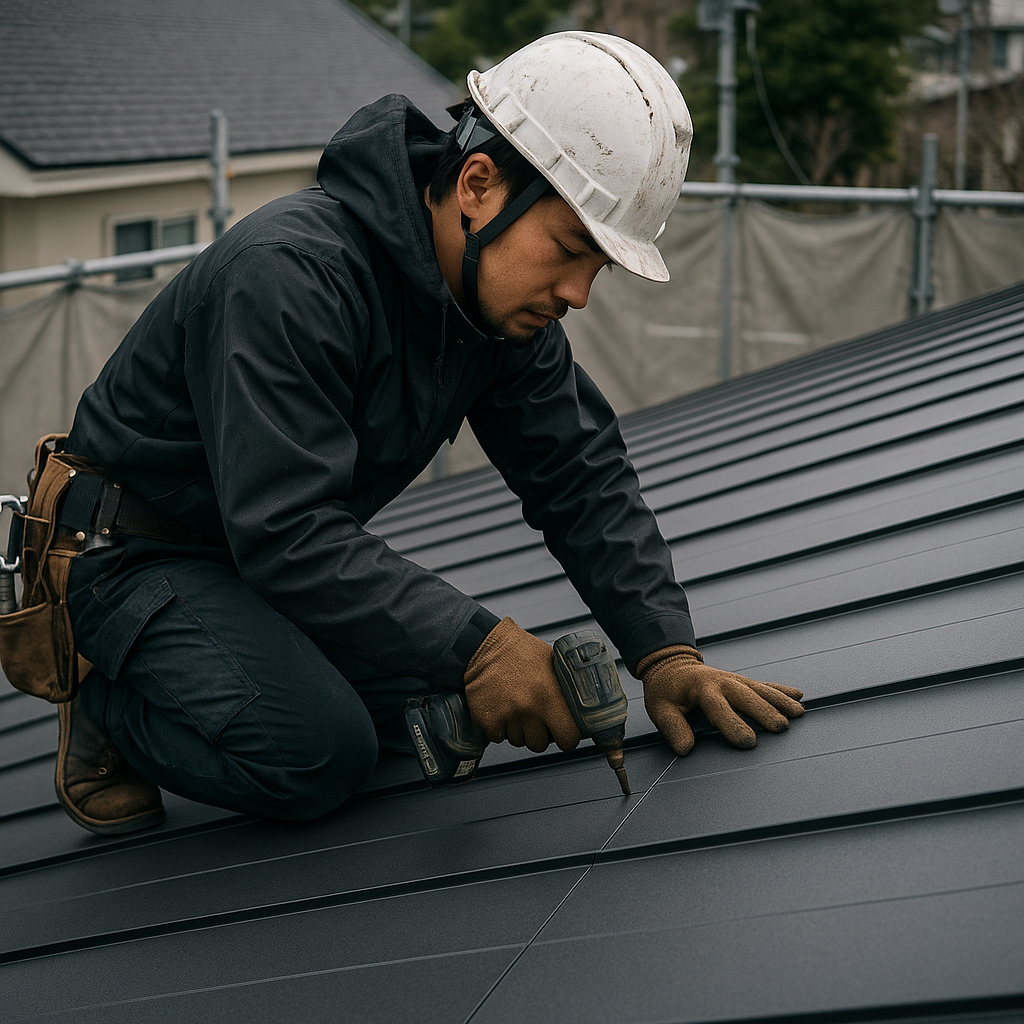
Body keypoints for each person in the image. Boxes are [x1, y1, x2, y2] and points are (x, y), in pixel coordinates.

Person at [50, 32, 804, 835]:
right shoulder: (290, 275)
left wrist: (665, 653)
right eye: (571, 250)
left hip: (251, 563)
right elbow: (288, 527)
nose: (579, 293)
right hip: (133, 557)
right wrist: (482, 646)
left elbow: (578, 477)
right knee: (317, 755)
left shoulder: (496, 312)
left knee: (442, 706)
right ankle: (106, 697)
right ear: (478, 184)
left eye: (600, 269)